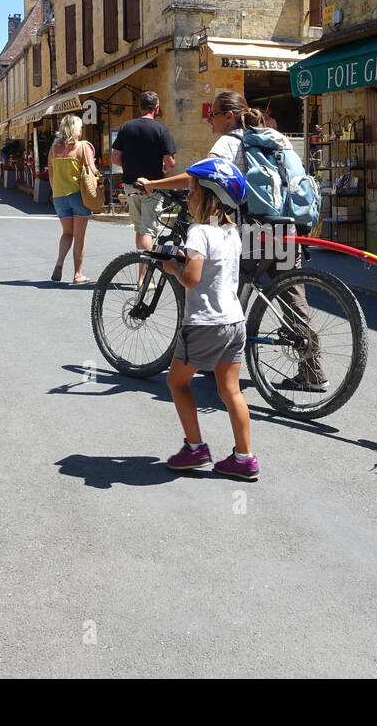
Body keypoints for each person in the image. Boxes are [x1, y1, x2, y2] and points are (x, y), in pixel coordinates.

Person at [140, 90, 328, 391]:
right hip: (284, 227)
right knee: (293, 298)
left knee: (221, 285)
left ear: (228, 115)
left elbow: (196, 178)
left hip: (251, 232)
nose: (209, 120)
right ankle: (313, 372)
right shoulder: (269, 138)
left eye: (213, 114)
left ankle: (218, 356)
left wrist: (153, 184)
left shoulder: (229, 142)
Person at [162, 158, 256, 480]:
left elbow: (191, 278)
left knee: (177, 382)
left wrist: (173, 266)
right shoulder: (232, 234)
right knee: (231, 390)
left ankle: (195, 448)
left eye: (191, 192)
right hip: (234, 322)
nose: (187, 198)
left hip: (205, 323)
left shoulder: (198, 232)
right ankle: (244, 458)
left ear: (210, 196)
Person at [112, 91, 177, 257]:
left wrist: (129, 165)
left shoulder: (126, 127)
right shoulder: (161, 130)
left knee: (140, 229)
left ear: (139, 107)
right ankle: (144, 278)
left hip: (130, 185)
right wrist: (163, 169)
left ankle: (141, 270)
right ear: (156, 108)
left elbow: (115, 158)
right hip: (152, 186)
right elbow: (170, 162)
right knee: (148, 230)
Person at [48, 114, 99, 284]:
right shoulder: (83, 148)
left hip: (59, 197)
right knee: (79, 236)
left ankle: (59, 262)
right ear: (76, 130)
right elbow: (93, 171)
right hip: (78, 196)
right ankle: (78, 274)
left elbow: (51, 174)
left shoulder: (54, 149)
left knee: (66, 233)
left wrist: (57, 190)